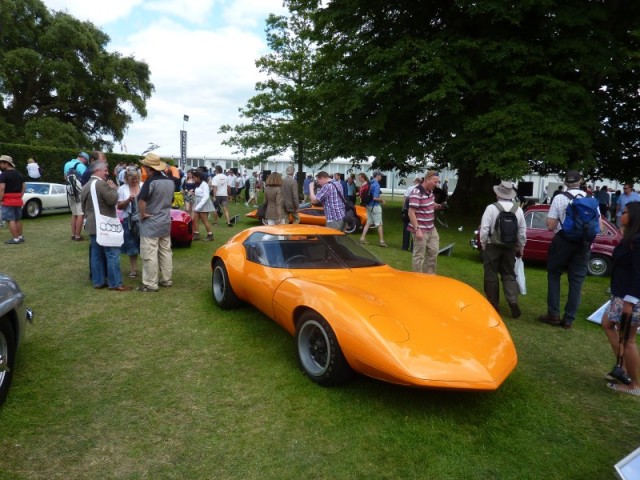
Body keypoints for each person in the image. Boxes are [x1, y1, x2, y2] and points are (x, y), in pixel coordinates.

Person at [538, 170, 600, 329]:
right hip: (583, 244)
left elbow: (551, 226)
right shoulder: (591, 199)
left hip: (563, 241)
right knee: (577, 281)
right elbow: (597, 227)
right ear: (581, 181)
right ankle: (568, 319)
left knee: (554, 275)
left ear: (565, 183)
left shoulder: (559, 198)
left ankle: (553, 314)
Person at [602, 201, 640, 396]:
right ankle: (622, 368)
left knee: (629, 339)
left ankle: (634, 384)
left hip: (630, 297)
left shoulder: (637, 240)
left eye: (624, 212)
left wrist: (630, 301)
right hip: (622, 293)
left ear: (633, 216)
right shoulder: (630, 237)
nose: (620, 214)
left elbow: (639, 272)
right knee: (608, 324)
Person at [478, 181, 527, 318]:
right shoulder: (518, 209)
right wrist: (521, 246)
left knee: (491, 274)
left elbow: (484, 229)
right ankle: (513, 300)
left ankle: (493, 304)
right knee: (509, 273)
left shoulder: (491, 208)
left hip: (492, 245)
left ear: (497, 193)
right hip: (510, 246)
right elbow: (522, 231)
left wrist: (483, 244)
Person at [81, 161, 131, 291]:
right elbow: (112, 200)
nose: (107, 173)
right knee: (112, 254)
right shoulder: (102, 184)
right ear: (98, 170)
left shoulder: (85, 185)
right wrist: (114, 189)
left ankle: (98, 281)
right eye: (106, 170)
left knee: (96, 254)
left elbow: (83, 207)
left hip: (92, 224)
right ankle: (115, 283)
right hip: (105, 225)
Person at [137, 153, 175, 292]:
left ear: (148, 167)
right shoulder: (170, 181)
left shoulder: (150, 182)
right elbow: (170, 201)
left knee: (150, 253)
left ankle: (150, 283)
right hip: (165, 222)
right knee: (166, 252)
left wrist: (142, 214)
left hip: (151, 223)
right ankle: (166, 279)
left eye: (145, 166)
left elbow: (141, 199)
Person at [407, 171, 444, 274]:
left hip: (431, 228)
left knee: (433, 252)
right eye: (435, 182)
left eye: (438, 182)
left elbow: (429, 204)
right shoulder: (417, 192)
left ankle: (429, 277)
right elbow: (411, 213)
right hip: (420, 229)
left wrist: (438, 205)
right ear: (427, 179)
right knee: (419, 256)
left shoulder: (430, 191)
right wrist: (417, 230)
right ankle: (417, 279)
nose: (436, 184)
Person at [117, 167, 143, 278]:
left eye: (136, 178)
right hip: (128, 220)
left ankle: (147, 267)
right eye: (132, 179)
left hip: (142, 218)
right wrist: (128, 200)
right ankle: (133, 269)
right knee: (131, 244)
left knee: (144, 243)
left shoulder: (143, 186)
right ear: (127, 179)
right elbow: (119, 206)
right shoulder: (122, 189)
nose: (134, 181)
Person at [0, 155, 25, 244]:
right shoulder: (19, 174)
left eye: (1, 163)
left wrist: (0, 199)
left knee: (11, 219)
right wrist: (19, 196)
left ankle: (15, 239)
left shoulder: (4, 175)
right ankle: (20, 236)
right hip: (18, 199)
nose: (0, 165)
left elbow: (2, 188)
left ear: (6, 163)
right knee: (17, 219)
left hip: (7, 200)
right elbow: (23, 187)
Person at [64, 152, 89, 241]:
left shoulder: (67, 164)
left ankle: (73, 234)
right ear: (84, 159)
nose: (86, 163)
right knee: (81, 214)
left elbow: (65, 177)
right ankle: (78, 235)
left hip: (70, 191)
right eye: (86, 161)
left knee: (74, 213)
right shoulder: (81, 166)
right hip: (79, 192)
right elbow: (85, 179)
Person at [359, 170, 387, 247]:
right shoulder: (376, 185)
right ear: (377, 176)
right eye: (380, 175)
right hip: (375, 206)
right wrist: (382, 200)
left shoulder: (369, 183)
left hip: (368, 205)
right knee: (379, 224)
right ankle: (381, 241)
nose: (381, 177)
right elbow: (375, 198)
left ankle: (362, 238)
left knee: (368, 222)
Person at [192, 170, 215, 241]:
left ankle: (210, 235)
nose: (193, 179)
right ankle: (196, 234)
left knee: (204, 220)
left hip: (203, 203)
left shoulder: (204, 184)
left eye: (194, 177)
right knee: (194, 219)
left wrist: (199, 207)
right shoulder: (198, 184)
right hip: (197, 202)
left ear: (198, 177)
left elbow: (206, 196)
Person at [402, 177, 421, 251]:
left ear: (416, 181)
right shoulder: (421, 189)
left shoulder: (410, 188)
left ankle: (405, 246)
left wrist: (403, 209)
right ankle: (413, 247)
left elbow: (405, 199)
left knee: (406, 228)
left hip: (408, 208)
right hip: (417, 209)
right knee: (415, 228)